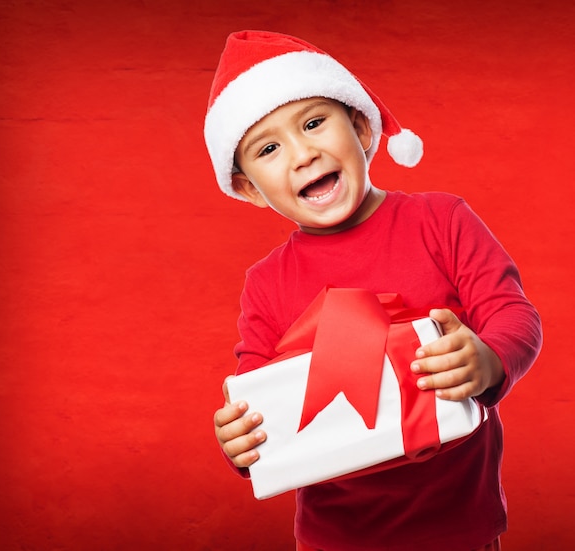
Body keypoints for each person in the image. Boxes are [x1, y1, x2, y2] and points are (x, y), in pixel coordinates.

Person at [204, 30, 542, 551]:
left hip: (457, 523)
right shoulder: (266, 283)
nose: (303, 154)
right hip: (333, 536)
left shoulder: (441, 220)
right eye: (269, 149)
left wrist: (490, 359)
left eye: (314, 123)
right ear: (249, 187)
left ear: (362, 126)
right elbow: (256, 395)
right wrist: (243, 441)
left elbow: (513, 315)